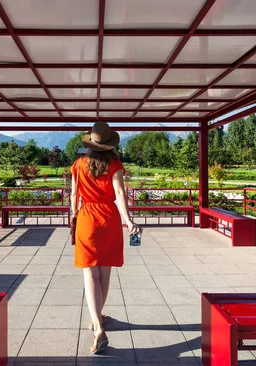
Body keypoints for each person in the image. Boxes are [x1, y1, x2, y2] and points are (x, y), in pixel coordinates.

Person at [70, 121, 141, 354]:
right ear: (110, 145)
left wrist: (74, 216)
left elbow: (74, 195)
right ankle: (97, 317)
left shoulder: (78, 165)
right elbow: (119, 193)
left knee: (89, 272)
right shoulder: (115, 165)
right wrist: (128, 220)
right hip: (109, 218)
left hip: (86, 218)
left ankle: (97, 325)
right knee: (105, 272)